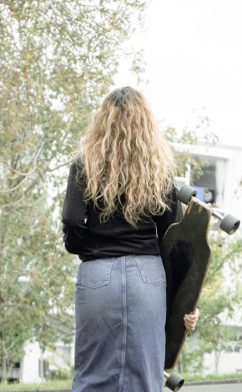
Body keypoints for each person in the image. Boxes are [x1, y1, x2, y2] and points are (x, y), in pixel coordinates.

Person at [61, 86, 200, 392]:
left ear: (102, 121)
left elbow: (71, 221)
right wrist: (186, 305)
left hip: (97, 273)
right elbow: (174, 241)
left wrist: (84, 247)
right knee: (146, 379)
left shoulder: (83, 165)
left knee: (92, 376)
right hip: (147, 276)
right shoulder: (159, 170)